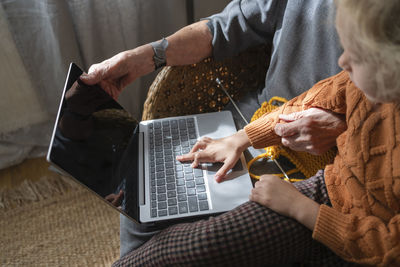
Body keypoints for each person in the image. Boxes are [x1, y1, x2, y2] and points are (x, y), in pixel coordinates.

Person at [111, 0, 400, 265]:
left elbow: (388, 247)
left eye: (356, 55)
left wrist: (303, 204)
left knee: (186, 246)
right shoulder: (353, 81)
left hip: (318, 181)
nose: (342, 62)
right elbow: (226, 27)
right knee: (142, 195)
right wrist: (241, 138)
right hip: (273, 133)